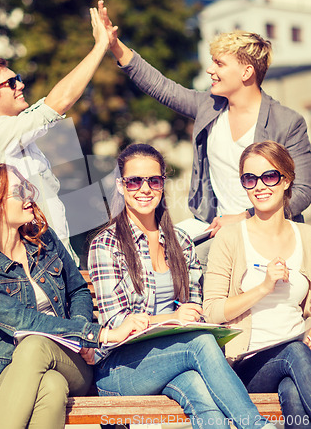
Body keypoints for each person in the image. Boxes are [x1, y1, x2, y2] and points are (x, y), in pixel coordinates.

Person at [0, 164, 146, 429]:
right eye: (19, 191)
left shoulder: (44, 239)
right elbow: (21, 321)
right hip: (5, 372)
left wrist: (82, 340)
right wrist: (101, 335)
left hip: (68, 359)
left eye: (27, 187)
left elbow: (78, 290)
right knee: (50, 384)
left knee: (36, 347)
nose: (30, 196)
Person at [88, 143, 277, 429]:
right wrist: (170, 318)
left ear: (163, 183)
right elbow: (115, 324)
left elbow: (194, 307)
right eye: (134, 181)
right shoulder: (106, 244)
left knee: (203, 398)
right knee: (200, 343)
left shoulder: (181, 242)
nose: (144, 189)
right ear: (121, 185)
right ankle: (258, 426)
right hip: (120, 369)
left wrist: (189, 316)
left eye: (153, 180)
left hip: (174, 358)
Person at [97, 0, 311, 241]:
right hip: (213, 227)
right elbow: (161, 87)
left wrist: (246, 217)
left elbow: (302, 192)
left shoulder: (288, 122)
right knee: (160, 250)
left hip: (266, 233)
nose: (210, 69)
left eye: (219, 63)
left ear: (246, 72)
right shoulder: (208, 106)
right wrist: (114, 45)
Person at [0, 7, 111, 265]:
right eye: (10, 83)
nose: (20, 84)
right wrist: (100, 46)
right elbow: (59, 102)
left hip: (57, 259)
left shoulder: (19, 132)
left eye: (17, 78)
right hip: (27, 267)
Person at [203, 141, 311, 429]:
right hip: (247, 365)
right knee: (295, 353)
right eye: (250, 179)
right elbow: (212, 312)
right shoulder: (230, 237)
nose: (260, 186)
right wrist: (263, 287)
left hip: (298, 363)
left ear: (287, 180)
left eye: (270, 176)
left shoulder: (306, 236)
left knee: (292, 390)